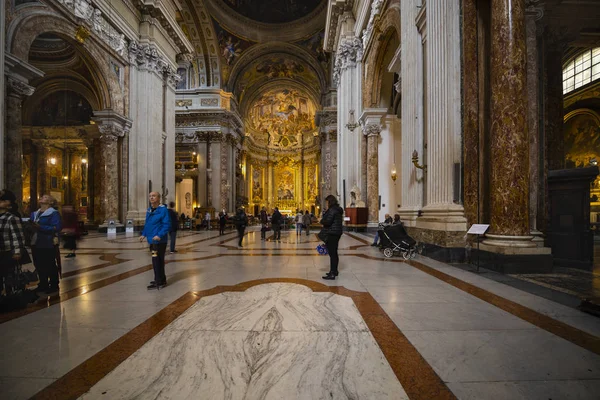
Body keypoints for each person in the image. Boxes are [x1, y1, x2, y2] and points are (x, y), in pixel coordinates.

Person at [30, 194, 62, 295]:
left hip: (47, 241)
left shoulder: (53, 213)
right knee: (38, 264)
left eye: (45, 197)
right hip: (35, 241)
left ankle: (53, 284)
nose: (41, 198)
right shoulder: (34, 213)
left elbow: (56, 228)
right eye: (42, 197)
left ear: (51, 202)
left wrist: (40, 227)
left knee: (49, 264)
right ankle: (43, 283)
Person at [140, 192, 171, 290]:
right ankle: (160, 279)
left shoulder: (163, 210)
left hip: (159, 241)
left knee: (157, 261)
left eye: (153, 196)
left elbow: (167, 225)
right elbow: (147, 224)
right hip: (152, 240)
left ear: (159, 198)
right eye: (150, 196)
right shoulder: (149, 210)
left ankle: (159, 281)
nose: (151, 197)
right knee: (156, 260)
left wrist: (159, 235)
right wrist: (143, 234)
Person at [0, 190, 26, 295]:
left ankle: (10, 298)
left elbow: (17, 236)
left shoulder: (11, 218)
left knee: (8, 276)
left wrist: (17, 252)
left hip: (7, 251)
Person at [320, 195, 344, 280]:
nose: (326, 204)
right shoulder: (337, 209)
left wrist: (322, 220)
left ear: (330, 202)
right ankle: (334, 271)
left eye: (327, 202)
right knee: (334, 253)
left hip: (332, 233)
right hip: (336, 233)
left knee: (332, 254)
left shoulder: (332, 210)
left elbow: (327, 221)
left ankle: (332, 273)